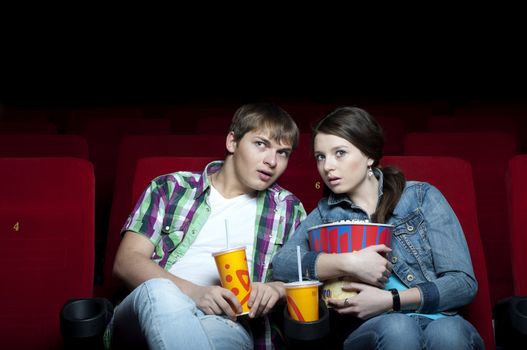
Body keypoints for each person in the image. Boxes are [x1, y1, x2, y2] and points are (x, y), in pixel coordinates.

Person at [272, 106, 484, 349]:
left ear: (369, 156)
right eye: (321, 156)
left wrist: (391, 300)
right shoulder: (324, 214)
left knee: (449, 331)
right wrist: (349, 262)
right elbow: (284, 264)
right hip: (374, 329)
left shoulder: (421, 197)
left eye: (339, 153)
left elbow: (463, 284)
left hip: (440, 319)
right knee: (399, 327)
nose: (327, 166)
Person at [104, 103, 306, 349]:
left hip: (227, 320)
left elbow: (305, 281)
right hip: (149, 310)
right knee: (161, 291)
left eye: (283, 152)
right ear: (232, 142)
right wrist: (196, 294)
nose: (272, 161)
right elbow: (126, 262)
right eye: (261, 144)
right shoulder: (171, 188)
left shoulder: (287, 208)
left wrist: (277, 290)